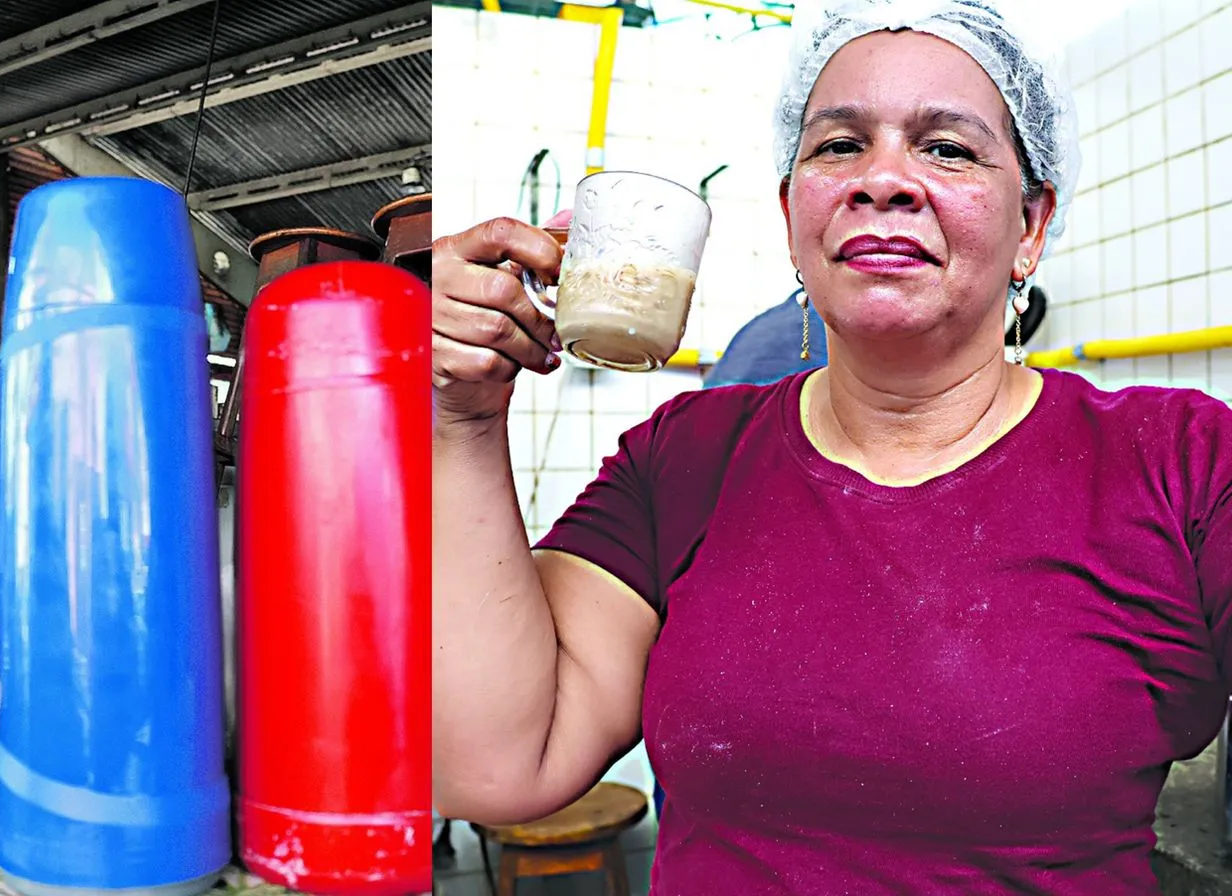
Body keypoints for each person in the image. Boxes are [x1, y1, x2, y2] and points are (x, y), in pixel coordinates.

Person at [431, 1, 1232, 892]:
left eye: (948, 148)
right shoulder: (683, 458)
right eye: (840, 145)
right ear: (791, 216)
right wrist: (459, 422)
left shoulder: (1182, 461)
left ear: (1032, 224)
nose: (882, 180)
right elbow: (497, 766)